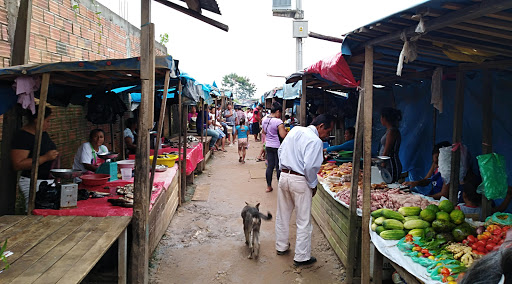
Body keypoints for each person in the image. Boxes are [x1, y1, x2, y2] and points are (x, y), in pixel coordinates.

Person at [276, 114, 335, 266]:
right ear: (321, 126)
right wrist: (312, 184)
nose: (326, 136)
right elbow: (310, 167)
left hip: (284, 176)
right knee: (303, 220)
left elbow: (280, 150)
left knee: (282, 214)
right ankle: (301, 256)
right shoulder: (315, 141)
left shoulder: (295, 131)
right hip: (300, 180)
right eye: (327, 132)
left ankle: (281, 246)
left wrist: (285, 167)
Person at [11, 106, 59, 211]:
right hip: (33, 182)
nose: (49, 124)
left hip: (48, 181)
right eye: (47, 121)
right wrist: (45, 158)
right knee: (36, 212)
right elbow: (18, 164)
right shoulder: (23, 137)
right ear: (37, 120)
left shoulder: (43, 133)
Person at [262, 101, 288, 193]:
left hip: (268, 145)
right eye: (280, 112)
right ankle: (280, 188)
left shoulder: (264, 119)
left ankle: (268, 186)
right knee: (278, 167)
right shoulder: (278, 121)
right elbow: (283, 135)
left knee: (270, 166)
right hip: (277, 146)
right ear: (277, 111)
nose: (280, 115)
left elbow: (263, 132)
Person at [379, 107, 403, 183]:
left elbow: (387, 150)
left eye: (381, 117)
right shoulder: (389, 130)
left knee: (390, 184)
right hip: (387, 163)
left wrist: (382, 163)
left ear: (385, 118)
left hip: (391, 164)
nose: (380, 119)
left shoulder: (392, 132)